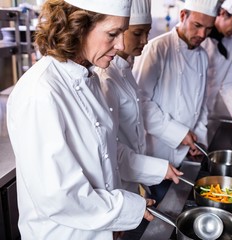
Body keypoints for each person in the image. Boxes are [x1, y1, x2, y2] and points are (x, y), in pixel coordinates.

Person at [6, 0, 182, 239]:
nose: (120, 44)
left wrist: (158, 169)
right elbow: (59, 197)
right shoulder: (41, 92)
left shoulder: (89, 79)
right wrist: (127, 210)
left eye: (122, 32)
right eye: (112, 34)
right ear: (78, 27)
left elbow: (107, 150)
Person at [132, 0, 221, 202]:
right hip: (159, 154)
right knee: (162, 207)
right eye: (197, 25)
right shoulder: (157, 49)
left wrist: (198, 139)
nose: (202, 35)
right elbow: (141, 104)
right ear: (183, 16)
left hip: (189, 152)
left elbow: (201, 103)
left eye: (208, 29)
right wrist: (179, 134)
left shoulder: (203, 56)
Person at [96, 0, 157, 196]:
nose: (145, 40)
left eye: (148, 32)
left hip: (134, 178)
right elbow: (109, 147)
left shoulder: (126, 67)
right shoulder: (105, 77)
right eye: (138, 33)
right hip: (118, 185)